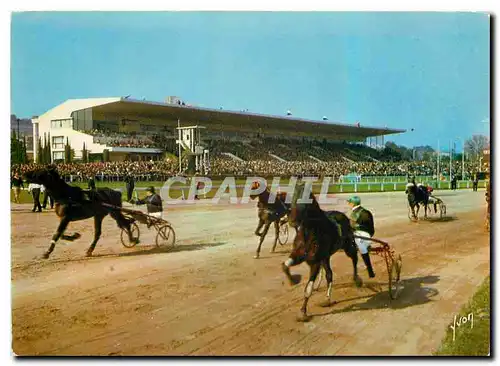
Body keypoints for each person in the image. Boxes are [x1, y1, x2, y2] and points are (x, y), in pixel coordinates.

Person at [347, 195, 375, 278]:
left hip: (363, 235)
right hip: (365, 234)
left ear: (353, 203)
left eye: (349, 202)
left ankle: (370, 270)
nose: (348, 204)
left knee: (362, 247)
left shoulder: (358, 212)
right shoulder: (363, 211)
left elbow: (351, 226)